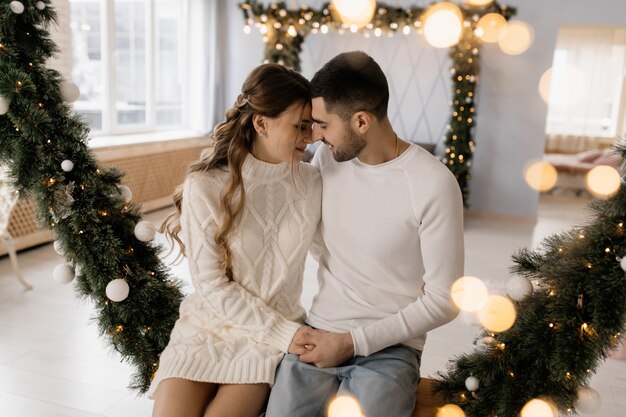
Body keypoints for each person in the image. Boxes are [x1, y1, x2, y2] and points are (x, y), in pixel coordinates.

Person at [265, 51, 465, 417]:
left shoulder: (433, 184)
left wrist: (352, 342)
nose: (313, 136)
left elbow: (445, 300)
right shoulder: (330, 160)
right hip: (319, 332)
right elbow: (317, 239)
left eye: (322, 124)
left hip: (389, 350)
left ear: (360, 121)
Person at [149, 63, 322, 417]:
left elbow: (336, 253)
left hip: (268, 338)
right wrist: (281, 331)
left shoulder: (313, 183)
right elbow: (211, 285)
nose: (310, 137)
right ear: (261, 123)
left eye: (312, 126)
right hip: (206, 327)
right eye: (299, 126)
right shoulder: (206, 185)